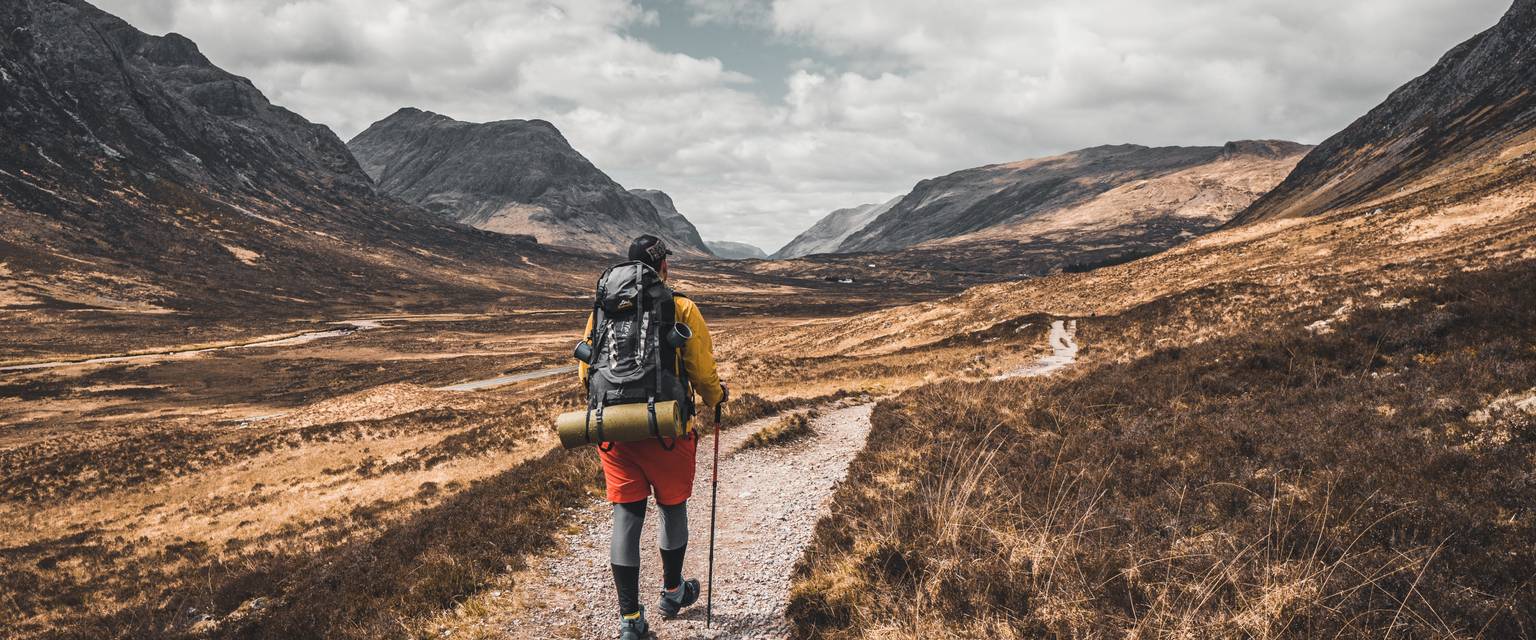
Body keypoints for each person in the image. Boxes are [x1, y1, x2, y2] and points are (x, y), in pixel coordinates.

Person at [577, 234, 728, 639]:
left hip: (615, 430)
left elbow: (585, 371)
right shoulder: (681, 306)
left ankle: (630, 620)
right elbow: (699, 367)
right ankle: (673, 591)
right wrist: (717, 397)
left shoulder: (604, 309)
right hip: (667, 427)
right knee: (672, 506)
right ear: (661, 266)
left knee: (627, 516)